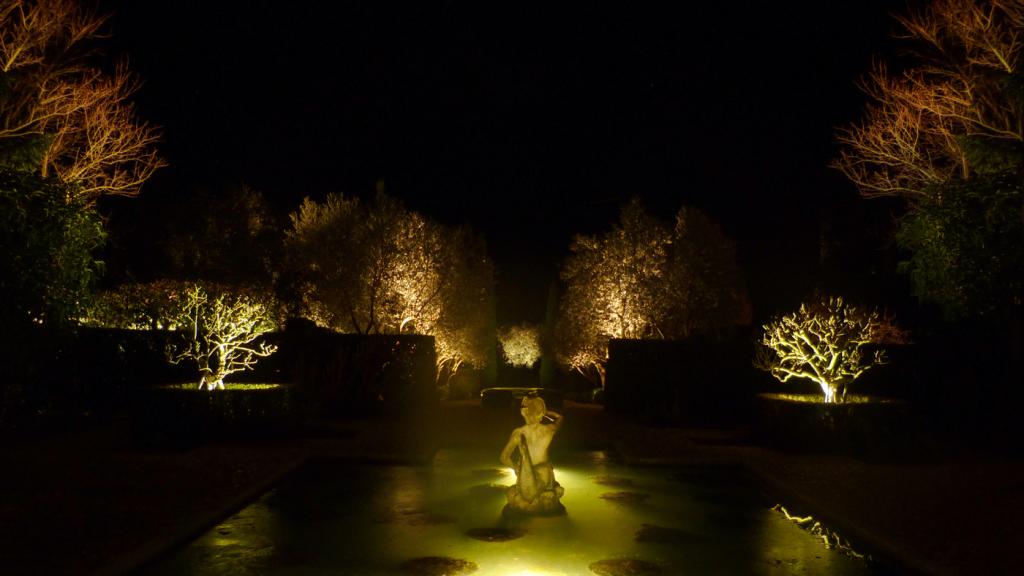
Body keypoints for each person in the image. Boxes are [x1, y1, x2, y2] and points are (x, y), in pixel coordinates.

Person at [499, 395, 565, 515]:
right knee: (547, 480)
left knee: (522, 491)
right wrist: (547, 413)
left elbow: (503, 458)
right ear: (541, 413)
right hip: (545, 476)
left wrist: (515, 469)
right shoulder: (549, 430)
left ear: (524, 413)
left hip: (526, 479)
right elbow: (560, 418)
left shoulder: (519, 433)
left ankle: (527, 476)